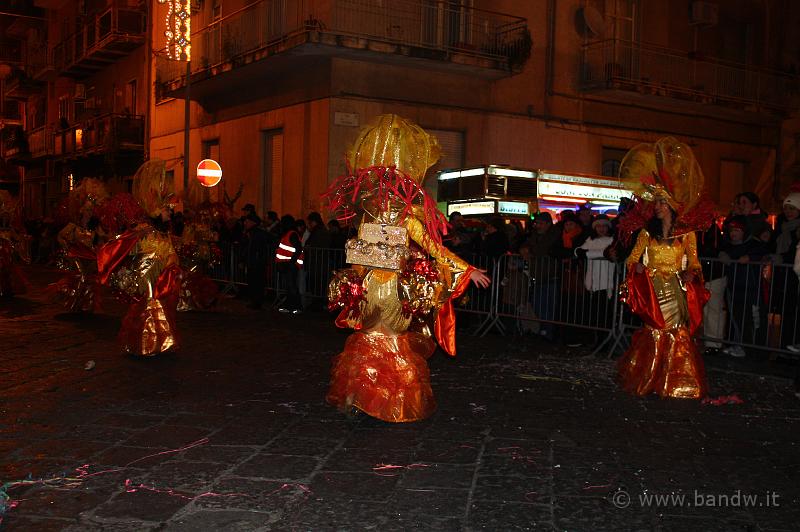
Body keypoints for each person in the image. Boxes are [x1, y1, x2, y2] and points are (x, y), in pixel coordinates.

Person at [324, 114, 490, 422]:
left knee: (370, 339)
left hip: (370, 287)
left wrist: (354, 286)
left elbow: (361, 256)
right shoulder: (406, 217)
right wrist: (467, 270)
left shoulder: (367, 216)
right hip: (392, 290)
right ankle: (390, 403)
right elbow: (434, 248)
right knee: (392, 342)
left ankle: (357, 397)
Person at [615, 137, 715, 399]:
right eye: (655, 203)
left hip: (676, 288)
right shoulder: (647, 234)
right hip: (653, 287)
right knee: (655, 332)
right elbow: (631, 258)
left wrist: (692, 272)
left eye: (661, 203)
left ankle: (677, 382)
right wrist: (636, 268)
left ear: (671, 205)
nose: (656, 207)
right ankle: (651, 377)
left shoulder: (687, 234)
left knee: (678, 333)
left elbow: (694, 261)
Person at [97, 159, 181, 356]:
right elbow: (128, 246)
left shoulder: (161, 232)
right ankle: (147, 344)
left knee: (156, 304)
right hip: (146, 275)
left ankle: (155, 343)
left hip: (159, 275)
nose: (170, 213)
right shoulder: (145, 230)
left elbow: (168, 253)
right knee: (150, 304)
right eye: (167, 209)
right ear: (157, 209)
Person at [275, 214, 304, 313]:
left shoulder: (291, 234)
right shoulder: (289, 234)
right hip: (288, 264)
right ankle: (290, 306)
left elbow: (299, 248)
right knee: (289, 286)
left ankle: (296, 307)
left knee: (291, 286)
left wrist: (291, 262)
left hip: (290, 265)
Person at [243, 212, 269, 309]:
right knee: (252, 282)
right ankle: (254, 301)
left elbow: (257, 248)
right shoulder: (250, 233)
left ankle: (257, 302)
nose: (245, 223)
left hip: (257, 263)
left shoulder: (258, 233)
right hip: (253, 261)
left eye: (247, 221)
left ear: (252, 222)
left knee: (257, 282)